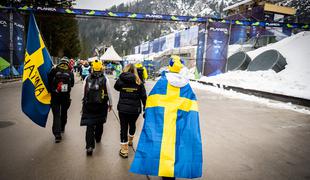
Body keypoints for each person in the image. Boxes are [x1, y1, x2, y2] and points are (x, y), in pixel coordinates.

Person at [130, 55, 203, 179]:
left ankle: (165, 172)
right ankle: (172, 171)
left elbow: (152, 101)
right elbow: (192, 107)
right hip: (178, 123)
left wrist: (149, 114)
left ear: (169, 67)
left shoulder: (162, 83)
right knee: (177, 146)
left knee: (163, 146)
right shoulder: (186, 86)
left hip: (163, 122)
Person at [80, 60, 113, 156]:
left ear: (93, 68)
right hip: (101, 105)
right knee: (100, 122)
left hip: (89, 104)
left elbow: (84, 92)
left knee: (89, 125)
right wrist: (111, 104)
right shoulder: (105, 78)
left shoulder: (87, 78)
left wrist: (83, 102)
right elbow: (109, 93)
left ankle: (89, 147)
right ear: (101, 68)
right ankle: (98, 138)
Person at [114, 64, 147, 158]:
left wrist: (121, 77)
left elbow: (116, 87)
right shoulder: (138, 82)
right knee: (132, 124)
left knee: (123, 128)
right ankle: (130, 140)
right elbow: (143, 97)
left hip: (123, 109)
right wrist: (145, 107)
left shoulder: (122, 80)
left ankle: (124, 150)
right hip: (135, 109)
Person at [48, 57, 75, 143]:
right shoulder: (70, 72)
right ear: (67, 63)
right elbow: (73, 84)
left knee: (56, 115)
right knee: (64, 112)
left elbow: (48, 81)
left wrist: (52, 89)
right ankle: (62, 127)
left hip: (55, 95)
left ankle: (57, 134)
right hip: (65, 97)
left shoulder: (54, 70)